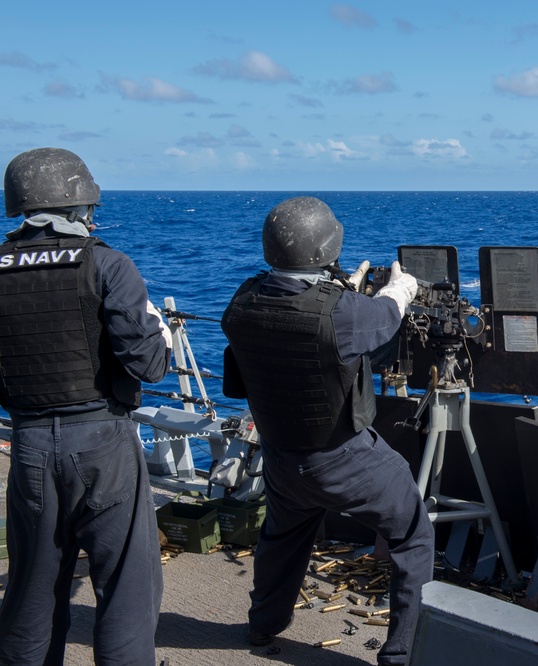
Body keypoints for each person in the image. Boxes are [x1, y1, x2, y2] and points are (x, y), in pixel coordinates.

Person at [220, 196, 434, 666]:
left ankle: (263, 626)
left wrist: (345, 290)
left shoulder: (242, 300)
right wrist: (400, 288)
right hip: (343, 458)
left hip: (279, 456)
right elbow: (385, 317)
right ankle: (401, 654)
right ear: (328, 245)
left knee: (283, 536)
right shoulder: (345, 313)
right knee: (412, 535)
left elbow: (267, 352)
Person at [0, 147, 172, 664]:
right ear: (79, 205)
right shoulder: (107, 264)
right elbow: (147, 365)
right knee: (125, 587)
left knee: (31, 591)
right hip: (104, 443)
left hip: (28, 445)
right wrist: (159, 336)